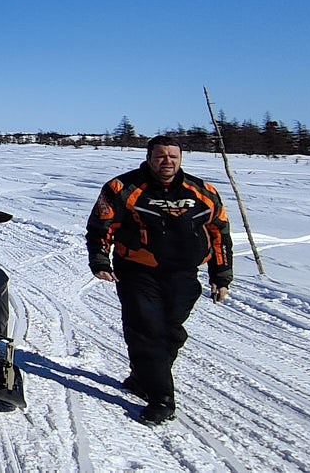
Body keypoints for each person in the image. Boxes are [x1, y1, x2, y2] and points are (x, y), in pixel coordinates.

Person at [87, 135, 233, 425]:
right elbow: (101, 227)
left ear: (181, 158)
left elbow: (220, 234)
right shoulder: (122, 187)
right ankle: (162, 398)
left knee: (171, 332)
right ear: (149, 157)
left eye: (173, 156)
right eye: (161, 156)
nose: (167, 162)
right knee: (147, 331)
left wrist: (222, 275)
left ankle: (144, 378)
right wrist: (100, 260)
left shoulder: (202, 191)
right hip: (137, 272)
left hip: (183, 275)